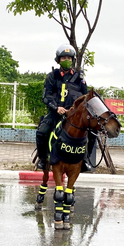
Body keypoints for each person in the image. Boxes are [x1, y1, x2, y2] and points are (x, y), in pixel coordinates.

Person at [35, 44, 96, 172]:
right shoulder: (52, 76)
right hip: (56, 113)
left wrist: (76, 110)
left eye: (69, 58)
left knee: (93, 133)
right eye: (63, 58)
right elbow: (46, 96)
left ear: (73, 60)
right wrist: (56, 107)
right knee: (41, 132)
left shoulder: (79, 78)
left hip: (74, 115)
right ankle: (42, 160)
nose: (66, 60)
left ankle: (85, 160)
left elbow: (86, 97)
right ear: (58, 60)